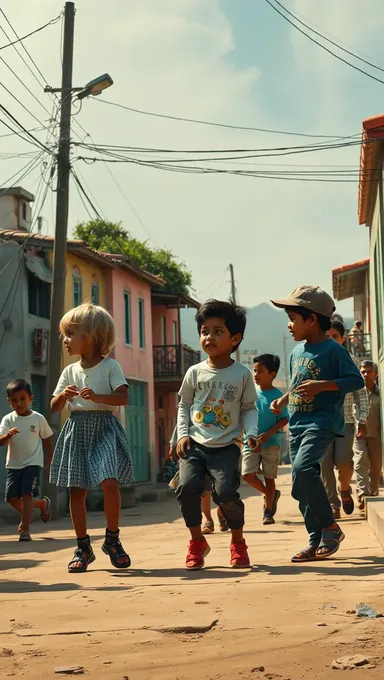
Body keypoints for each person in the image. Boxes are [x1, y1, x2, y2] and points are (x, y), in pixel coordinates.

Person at [270, 286, 364, 563]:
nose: (289, 325)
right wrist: (284, 399)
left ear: (312, 320)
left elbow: (356, 381)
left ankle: (331, 528)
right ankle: (315, 541)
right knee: (300, 486)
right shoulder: (296, 351)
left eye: (293, 318)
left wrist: (324, 386)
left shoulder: (334, 351)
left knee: (302, 468)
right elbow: (300, 384)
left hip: (321, 422)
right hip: (297, 424)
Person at [50, 303, 134, 573]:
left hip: (104, 427)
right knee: (77, 488)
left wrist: (97, 397)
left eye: (70, 333)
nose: (65, 339)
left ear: (93, 335)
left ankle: (112, 539)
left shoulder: (111, 366)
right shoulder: (69, 371)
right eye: (64, 334)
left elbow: (123, 397)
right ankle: (83, 546)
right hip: (77, 428)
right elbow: (53, 405)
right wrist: (63, 396)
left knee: (109, 481)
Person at [176, 299, 258, 570]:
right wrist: (181, 435)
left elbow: (248, 408)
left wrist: (252, 432)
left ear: (235, 339)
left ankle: (237, 541)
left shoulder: (242, 374)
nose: (209, 336)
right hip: (195, 443)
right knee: (187, 488)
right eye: (204, 330)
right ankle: (197, 542)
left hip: (227, 446)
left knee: (225, 492)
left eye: (218, 331)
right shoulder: (194, 372)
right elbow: (184, 405)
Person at [321, 320, 369, 519]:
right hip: (321, 423)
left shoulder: (352, 362)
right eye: (328, 336)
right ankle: (333, 504)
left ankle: (344, 488)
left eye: (335, 337)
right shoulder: (317, 362)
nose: (331, 340)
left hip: (346, 422)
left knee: (344, 462)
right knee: (324, 465)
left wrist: (363, 419)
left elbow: (362, 394)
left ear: (343, 339)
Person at [0, 379, 53, 541]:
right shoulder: (8, 420)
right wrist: (8, 435)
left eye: (23, 398)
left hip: (33, 463)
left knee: (26, 494)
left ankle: (25, 529)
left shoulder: (38, 418)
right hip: (14, 464)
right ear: (9, 402)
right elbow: (1, 442)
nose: (19, 403)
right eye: (14, 400)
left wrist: (49, 459)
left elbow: (47, 439)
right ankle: (42, 504)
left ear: (31, 398)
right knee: (11, 498)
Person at [241, 354, 288, 525]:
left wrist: (269, 433)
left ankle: (268, 512)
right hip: (250, 441)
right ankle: (271, 494)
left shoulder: (278, 395)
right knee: (247, 475)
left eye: (260, 371)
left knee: (269, 477)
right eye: (254, 371)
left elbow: (284, 419)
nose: (256, 374)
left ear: (272, 374)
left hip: (271, 443)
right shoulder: (249, 393)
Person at [169, 425, 228, 532]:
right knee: (204, 492)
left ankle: (221, 515)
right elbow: (181, 425)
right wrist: (173, 445)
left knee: (222, 489)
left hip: (220, 451)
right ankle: (209, 521)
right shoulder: (190, 409)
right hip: (196, 454)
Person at [354, 360, 382, 510]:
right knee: (360, 460)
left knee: (376, 465)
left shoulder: (380, 394)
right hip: (358, 435)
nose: (365, 374)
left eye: (369, 371)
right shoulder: (355, 393)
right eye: (362, 371)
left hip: (376, 434)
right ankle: (362, 495)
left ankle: (373, 490)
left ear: (375, 374)